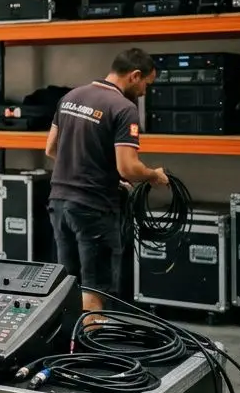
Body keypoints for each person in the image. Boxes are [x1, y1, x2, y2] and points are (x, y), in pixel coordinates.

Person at [45, 48, 169, 314]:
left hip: (59, 204)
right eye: (147, 84)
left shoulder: (71, 96)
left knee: (68, 285)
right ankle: (91, 351)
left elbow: (51, 148)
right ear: (135, 76)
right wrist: (154, 175)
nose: (146, 91)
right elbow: (128, 167)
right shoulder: (124, 108)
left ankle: (69, 349)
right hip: (93, 209)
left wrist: (98, 175)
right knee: (95, 289)